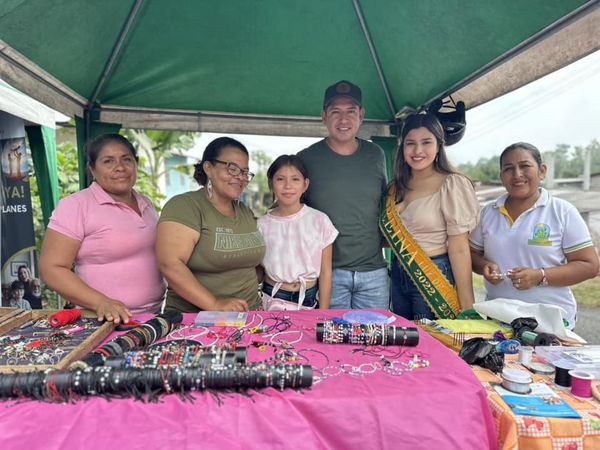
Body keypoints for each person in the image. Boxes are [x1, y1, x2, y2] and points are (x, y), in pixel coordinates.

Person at [470, 142, 599, 329]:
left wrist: (540, 276)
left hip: (551, 323)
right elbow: (471, 254)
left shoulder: (562, 211)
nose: (517, 174)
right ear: (501, 176)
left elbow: (589, 265)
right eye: (508, 168)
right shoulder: (488, 212)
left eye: (524, 166)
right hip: (499, 319)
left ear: (542, 171)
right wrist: (484, 266)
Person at [40, 134, 166, 323]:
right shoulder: (76, 205)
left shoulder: (145, 202)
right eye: (108, 161)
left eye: (127, 159)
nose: (120, 167)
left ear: (136, 164)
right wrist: (100, 302)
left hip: (152, 316)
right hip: (102, 320)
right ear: (92, 168)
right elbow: (51, 268)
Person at [298, 80, 389, 310]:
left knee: (376, 333)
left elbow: (387, 205)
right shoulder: (306, 159)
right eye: (335, 112)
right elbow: (294, 213)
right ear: (323, 116)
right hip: (327, 272)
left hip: (373, 272)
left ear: (361, 115)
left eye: (351, 111)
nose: (344, 119)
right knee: (329, 333)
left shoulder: (375, 154)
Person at [381, 113, 479, 320]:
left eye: (426, 142)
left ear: (439, 146)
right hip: (398, 274)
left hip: (434, 274)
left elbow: (460, 248)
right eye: (410, 143)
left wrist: (467, 305)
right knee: (403, 338)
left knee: (432, 338)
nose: (418, 151)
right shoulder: (395, 187)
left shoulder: (452, 183)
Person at [156, 137, 265, 312]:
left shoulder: (245, 211)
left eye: (245, 172)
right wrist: (215, 304)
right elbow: (170, 264)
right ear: (208, 168)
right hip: (196, 318)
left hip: (249, 316)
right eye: (232, 169)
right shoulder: (185, 206)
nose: (240, 177)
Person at [258, 155, 338, 310]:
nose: (288, 186)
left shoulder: (320, 220)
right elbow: (257, 269)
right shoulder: (261, 225)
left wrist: (323, 312)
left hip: (309, 300)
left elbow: (325, 272)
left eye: (295, 179)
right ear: (271, 184)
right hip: (273, 299)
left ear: (305, 184)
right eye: (280, 179)